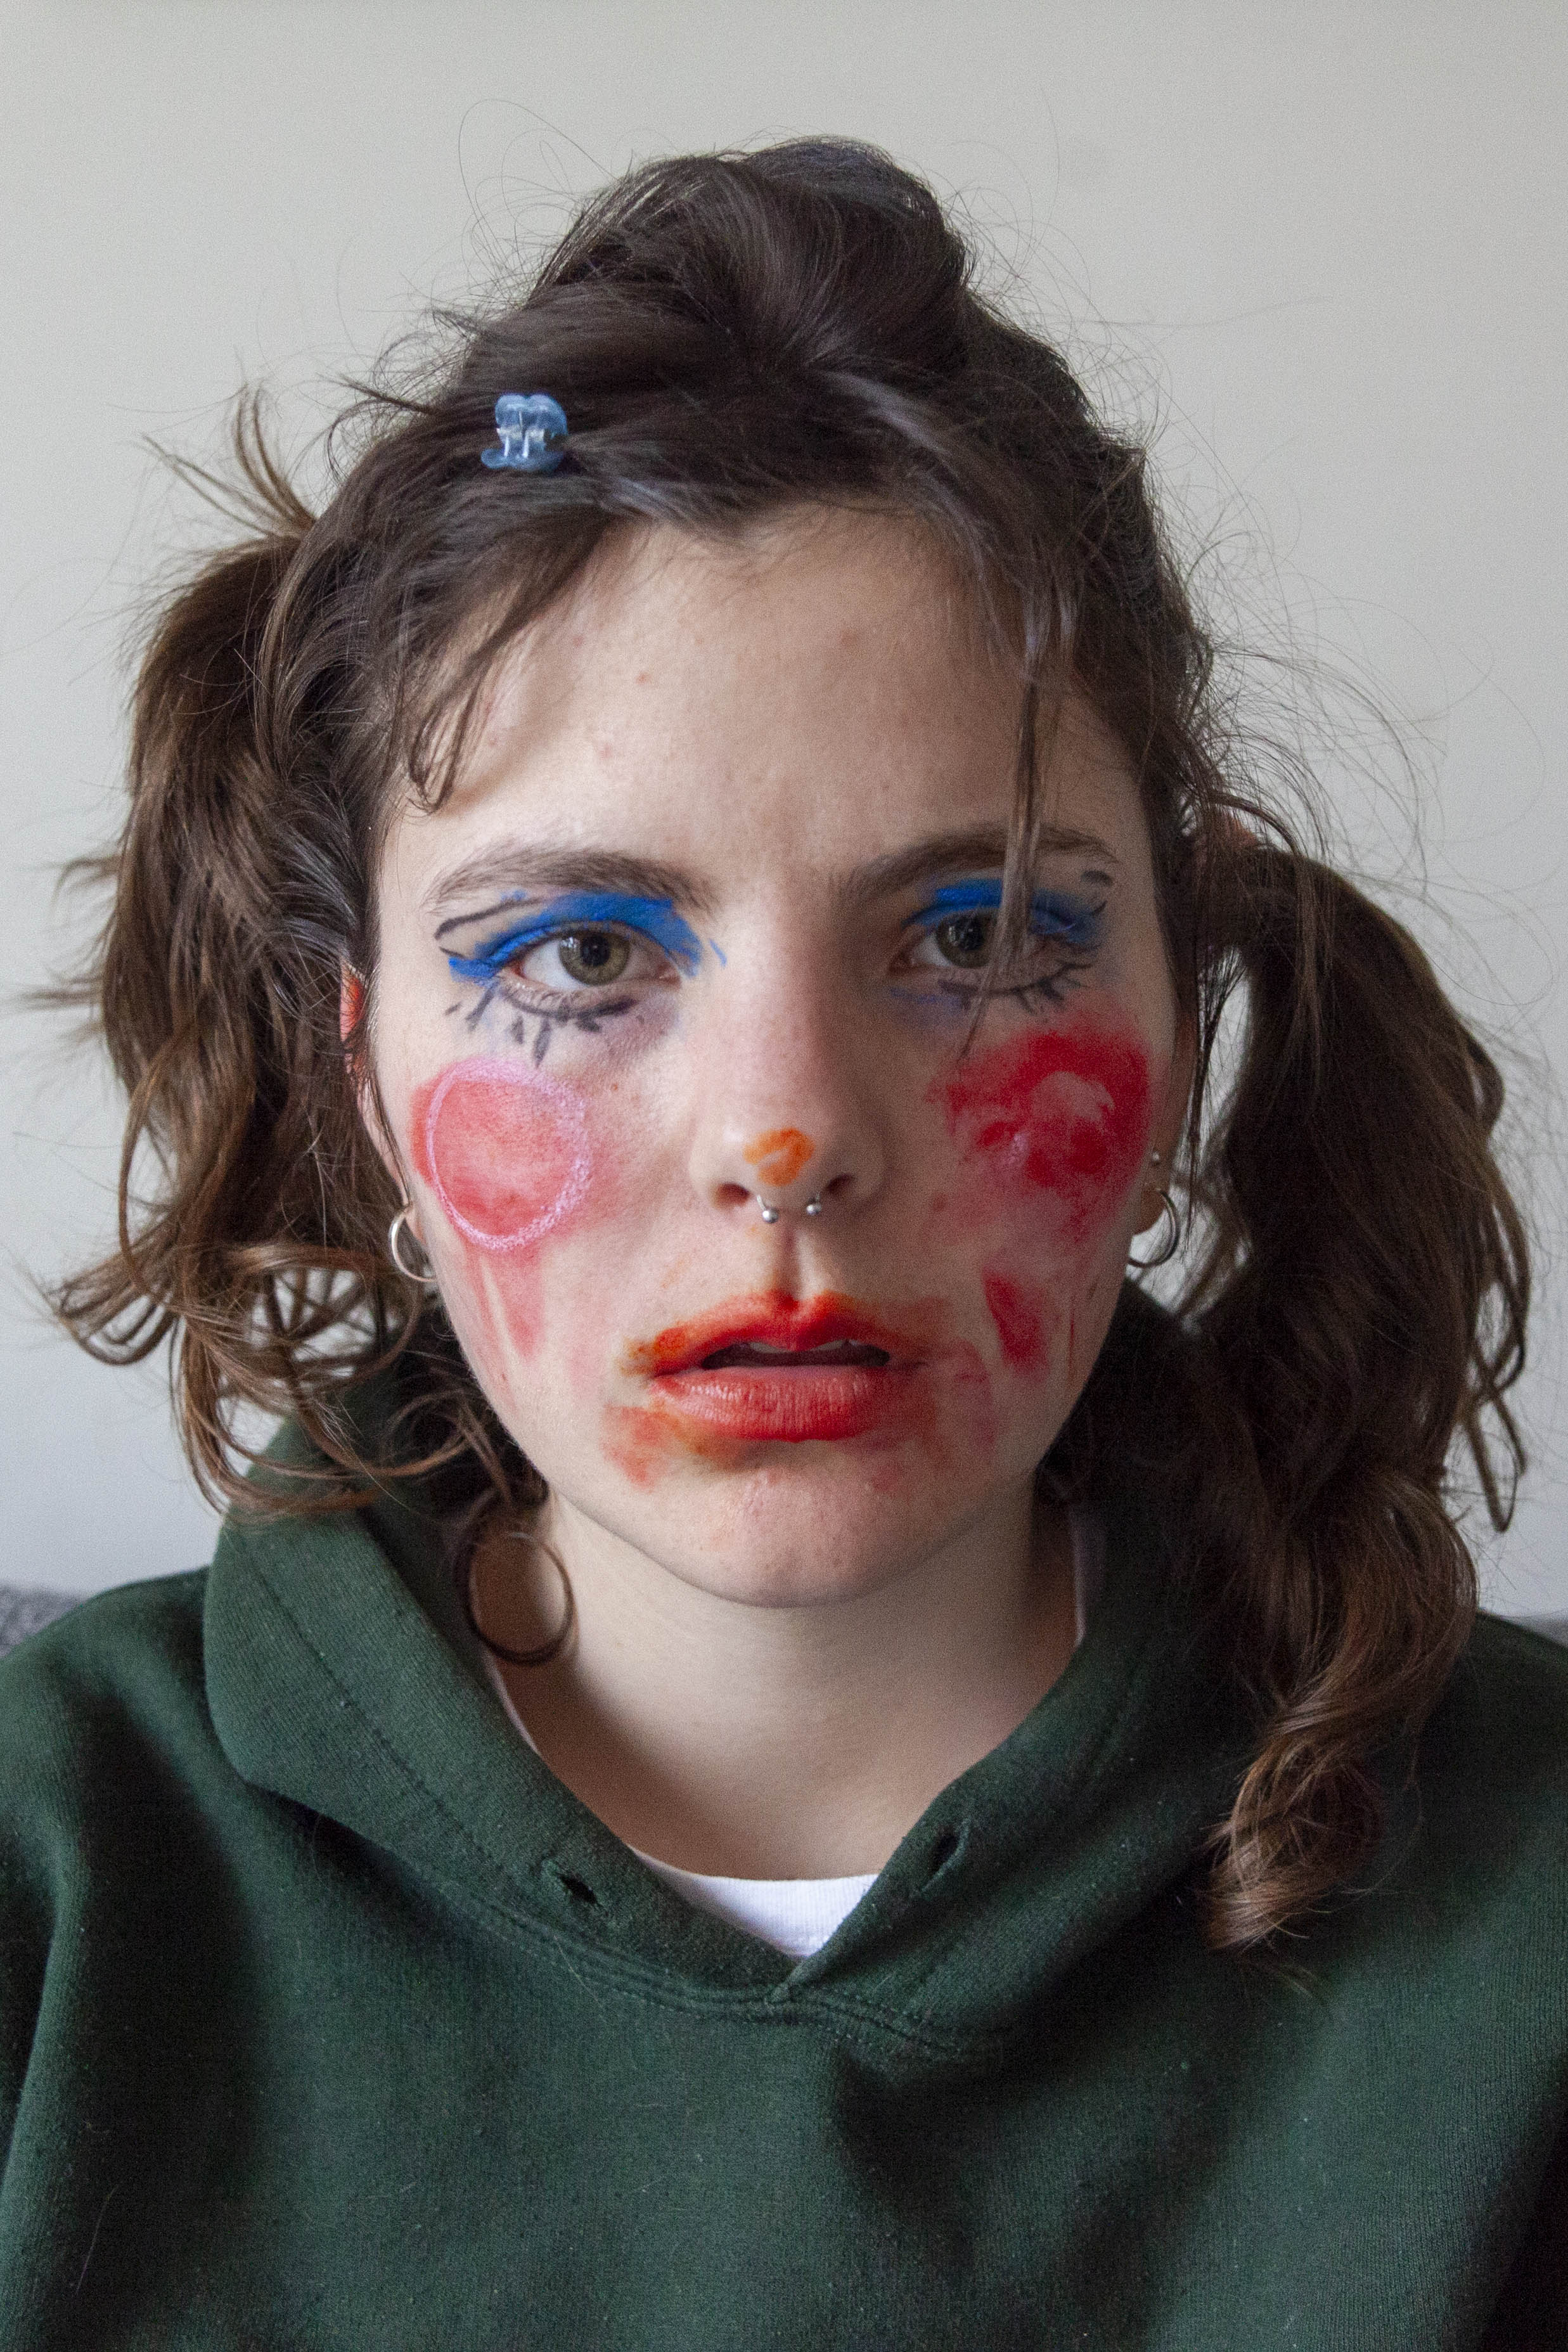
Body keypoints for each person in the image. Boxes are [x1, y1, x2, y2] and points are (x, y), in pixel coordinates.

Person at [2, 139, 1561, 2349]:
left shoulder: (1528, 1903)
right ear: (362, 1074)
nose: (789, 1136)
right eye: (579, 955)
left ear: (1177, 1021)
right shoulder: (55, 1869)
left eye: (973, 937)